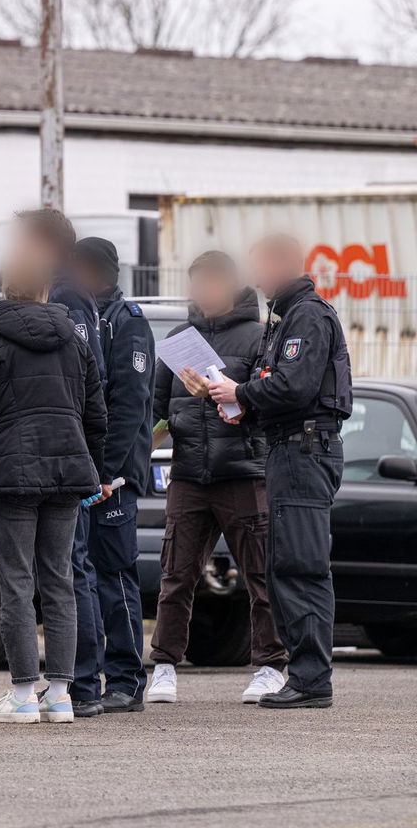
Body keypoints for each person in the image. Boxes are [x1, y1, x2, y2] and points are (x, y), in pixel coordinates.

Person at [0, 238, 108, 724]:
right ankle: (60, 694)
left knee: (16, 584)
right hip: (66, 472)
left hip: (12, 473)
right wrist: (92, 469)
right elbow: (96, 413)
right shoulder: (74, 338)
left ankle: (22, 694)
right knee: (59, 580)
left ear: (5, 286)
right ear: (45, 288)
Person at [206, 234, 352, 709]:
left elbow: (293, 385)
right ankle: (305, 675)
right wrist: (237, 400)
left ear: (285, 264)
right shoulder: (288, 316)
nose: (258, 280)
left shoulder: (306, 315)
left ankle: (311, 679)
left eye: (262, 268)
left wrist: (241, 394)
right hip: (290, 449)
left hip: (303, 451)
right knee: (285, 564)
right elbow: (280, 386)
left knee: (301, 567)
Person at [149, 252, 287, 704]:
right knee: (177, 573)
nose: (204, 295)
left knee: (259, 574)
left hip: (243, 473)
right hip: (189, 474)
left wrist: (221, 395)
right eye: (197, 286)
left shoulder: (258, 337)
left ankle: (270, 666)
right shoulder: (175, 339)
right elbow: (156, 413)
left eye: (211, 284)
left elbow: (270, 406)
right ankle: (165, 666)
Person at [17, 209, 109, 718]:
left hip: (61, 453)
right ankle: (76, 685)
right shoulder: (65, 289)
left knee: (66, 571)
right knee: (66, 569)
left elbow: (83, 379)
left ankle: (79, 685)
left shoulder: (66, 293)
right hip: (66, 450)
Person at [72, 237, 156, 713]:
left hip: (113, 479)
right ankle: (89, 673)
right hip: (85, 474)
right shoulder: (82, 315)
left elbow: (129, 405)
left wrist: (106, 473)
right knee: (85, 575)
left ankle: (125, 679)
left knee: (115, 574)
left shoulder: (127, 324)